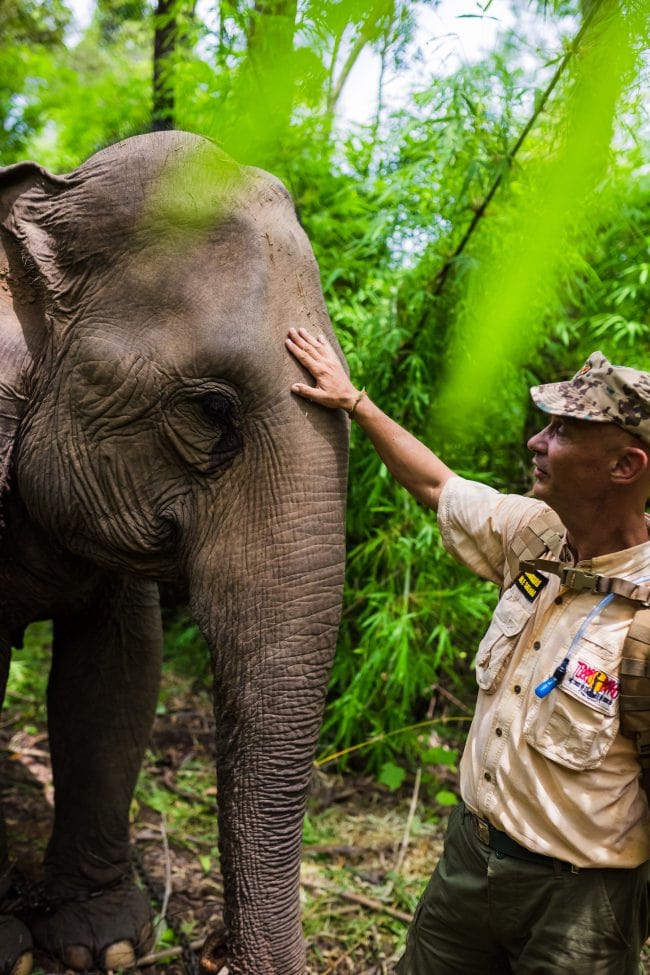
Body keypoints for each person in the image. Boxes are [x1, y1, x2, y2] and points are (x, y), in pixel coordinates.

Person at [285, 327, 650, 975]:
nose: (537, 441)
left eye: (562, 431)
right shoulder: (534, 532)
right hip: (469, 858)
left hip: (582, 900)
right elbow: (437, 486)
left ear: (625, 466)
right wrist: (355, 402)